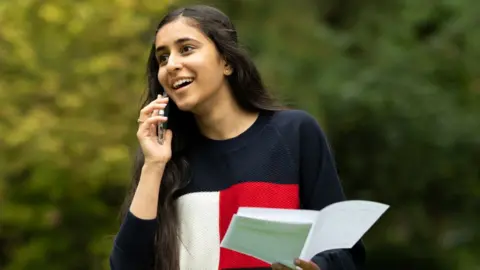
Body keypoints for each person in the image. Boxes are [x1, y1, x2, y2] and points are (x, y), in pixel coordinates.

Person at [109, 4, 366, 270]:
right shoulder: (165, 157)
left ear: (227, 62)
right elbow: (126, 266)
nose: (171, 65)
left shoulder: (295, 133)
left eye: (186, 49)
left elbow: (344, 251)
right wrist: (153, 166)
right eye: (162, 58)